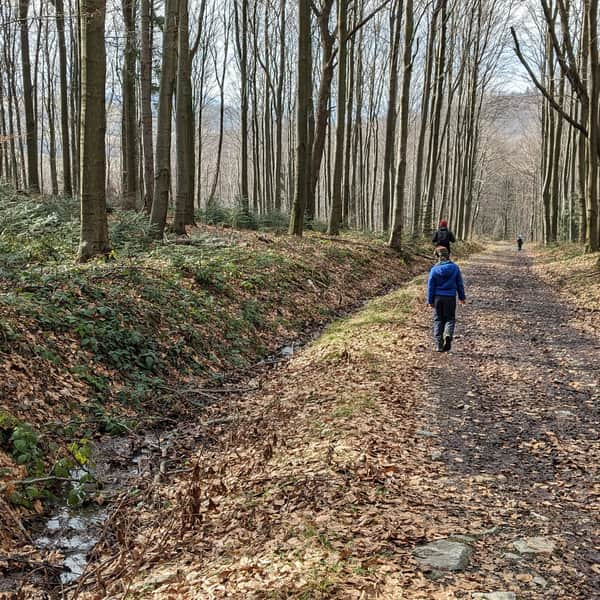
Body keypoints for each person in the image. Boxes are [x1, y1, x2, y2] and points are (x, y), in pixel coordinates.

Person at [427, 246, 466, 352]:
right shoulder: (455, 268)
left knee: (438, 320)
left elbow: (430, 286)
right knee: (450, 319)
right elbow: (459, 284)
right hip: (450, 298)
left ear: (437, 257)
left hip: (438, 298)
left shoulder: (434, 269)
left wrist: (430, 301)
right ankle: (448, 334)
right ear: (448, 255)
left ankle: (439, 345)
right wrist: (462, 297)